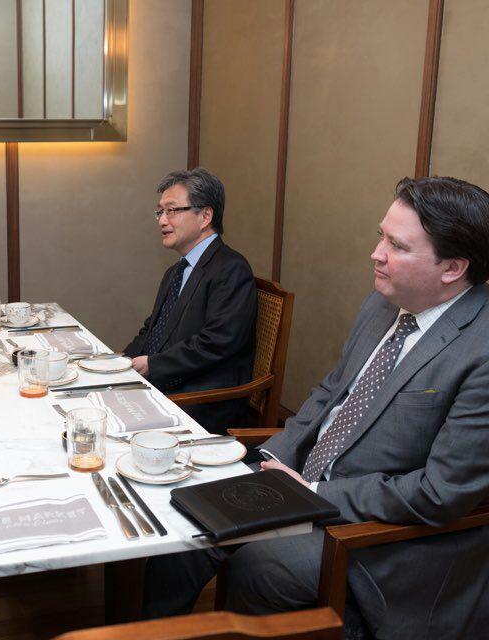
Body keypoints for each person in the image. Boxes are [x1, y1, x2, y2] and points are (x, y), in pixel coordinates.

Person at [143, 176, 489, 640]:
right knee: (180, 525)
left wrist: (316, 494)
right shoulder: (384, 304)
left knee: (260, 567)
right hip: (303, 480)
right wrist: (275, 459)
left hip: (378, 531)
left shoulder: (480, 349)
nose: (376, 253)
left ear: (453, 267)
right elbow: (331, 392)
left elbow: (440, 493)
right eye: (380, 235)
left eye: (398, 246)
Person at [123, 168, 256, 434]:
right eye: (160, 212)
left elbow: (217, 342)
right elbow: (152, 330)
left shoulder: (231, 269)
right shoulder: (177, 271)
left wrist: (152, 365)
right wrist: (120, 362)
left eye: (172, 210)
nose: (162, 220)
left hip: (201, 400)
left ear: (205, 216)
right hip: (165, 384)